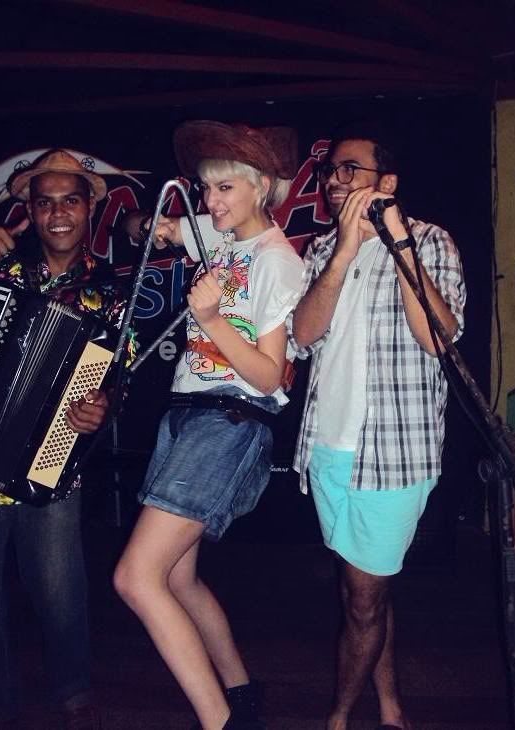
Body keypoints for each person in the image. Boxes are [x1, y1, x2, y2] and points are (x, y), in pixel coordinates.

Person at [114, 120, 304, 730]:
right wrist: (145, 226)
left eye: (225, 188)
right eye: (205, 188)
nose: (211, 201)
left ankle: (222, 722)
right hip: (189, 415)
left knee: (136, 578)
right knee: (178, 578)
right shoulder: (219, 235)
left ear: (261, 187)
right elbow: (152, 227)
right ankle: (242, 693)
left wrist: (214, 319)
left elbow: (270, 376)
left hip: (229, 419)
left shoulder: (276, 261)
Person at [287, 124, 466, 730]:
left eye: (349, 170)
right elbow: (303, 335)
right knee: (362, 590)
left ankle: (338, 716)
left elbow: (437, 339)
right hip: (326, 450)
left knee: (364, 601)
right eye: (330, 171)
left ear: (386, 181)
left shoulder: (431, 241)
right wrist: (343, 251)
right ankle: (391, 708)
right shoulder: (320, 250)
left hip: (394, 456)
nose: (334, 181)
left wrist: (398, 242)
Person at [0, 149, 132, 730]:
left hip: (52, 458)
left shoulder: (110, 291)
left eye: (70, 200)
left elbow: (119, 378)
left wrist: (104, 406)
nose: (59, 213)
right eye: (46, 203)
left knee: (60, 583)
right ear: (31, 211)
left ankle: (74, 690)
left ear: (89, 208)